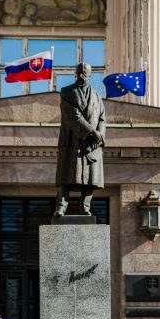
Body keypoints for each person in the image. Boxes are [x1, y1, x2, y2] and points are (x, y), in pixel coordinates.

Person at [54, 62, 106, 217]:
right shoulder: (67, 92)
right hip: (72, 142)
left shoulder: (97, 96)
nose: (82, 75)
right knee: (66, 176)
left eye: (85, 72)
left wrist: (100, 135)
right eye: (80, 72)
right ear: (75, 74)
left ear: (90, 75)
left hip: (91, 145)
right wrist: (91, 131)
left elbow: (103, 118)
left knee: (90, 178)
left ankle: (85, 207)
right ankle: (61, 207)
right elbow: (72, 115)